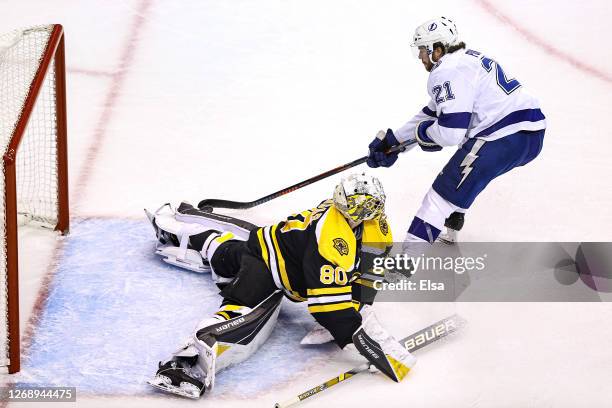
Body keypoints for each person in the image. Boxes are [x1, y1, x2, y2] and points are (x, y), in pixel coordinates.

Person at [145, 173, 416, 399]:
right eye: (355, 207)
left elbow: (369, 268)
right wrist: (367, 346)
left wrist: (359, 306)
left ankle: (193, 233)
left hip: (269, 244)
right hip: (267, 268)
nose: (361, 212)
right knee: (240, 313)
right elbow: (328, 310)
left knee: (230, 253)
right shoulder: (332, 238)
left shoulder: (372, 222)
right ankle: (185, 362)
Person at [367, 16, 546, 247]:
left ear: (438, 50)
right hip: (528, 134)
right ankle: (452, 226)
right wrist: (394, 141)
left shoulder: (445, 71)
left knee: (438, 199)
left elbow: (450, 132)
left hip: (503, 138)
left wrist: (423, 134)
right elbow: (433, 114)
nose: (420, 57)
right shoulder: (465, 60)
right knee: (468, 161)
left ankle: (403, 267)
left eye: (423, 50)